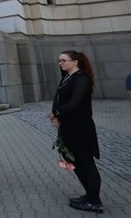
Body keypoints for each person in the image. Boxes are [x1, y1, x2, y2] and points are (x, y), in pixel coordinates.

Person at [50, 50, 103, 213]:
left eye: (64, 60)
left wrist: (56, 113)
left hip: (80, 127)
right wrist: (55, 114)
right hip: (68, 127)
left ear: (75, 62)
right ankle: (89, 194)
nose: (61, 63)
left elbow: (74, 103)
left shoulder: (82, 79)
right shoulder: (67, 78)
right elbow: (58, 98)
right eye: (59, 61)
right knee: (75, 162)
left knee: (86, 163)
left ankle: (95, 202)